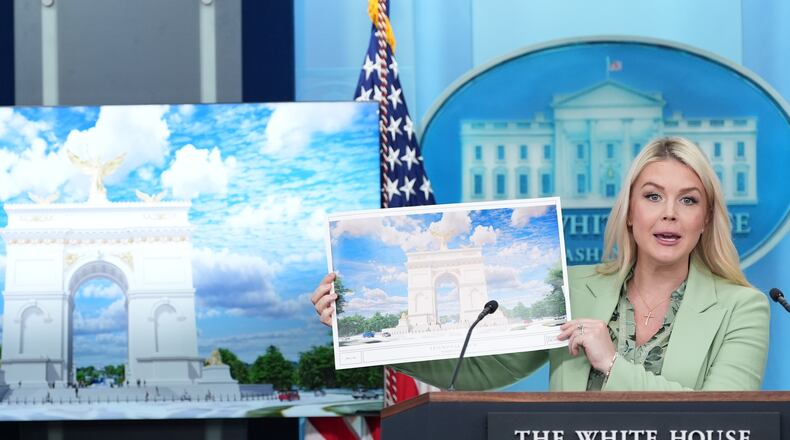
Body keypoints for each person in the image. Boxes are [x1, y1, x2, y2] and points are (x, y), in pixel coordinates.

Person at [312, 136, 769, 391]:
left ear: (705, 219)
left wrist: (612, 362)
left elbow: (729, 418)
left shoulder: (742, 308)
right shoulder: (576, 287)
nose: (669, 212)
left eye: (688, 200)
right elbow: (481, 370)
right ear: (630, 212)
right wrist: (354, 335)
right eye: (653, 196)